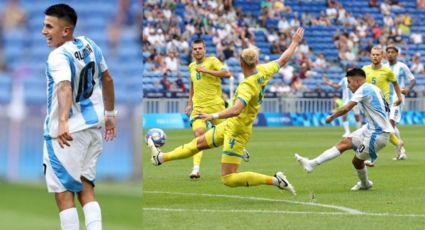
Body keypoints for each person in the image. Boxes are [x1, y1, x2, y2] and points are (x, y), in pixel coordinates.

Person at [147, 27, 305, 195]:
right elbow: (283, 59)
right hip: (231, 125)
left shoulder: (247, 85)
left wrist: (213, 115)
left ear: (241, 63)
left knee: (228, 178)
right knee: (199, 142)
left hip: (238, 131)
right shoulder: (264, 71)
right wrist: (294, 42)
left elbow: (237, 109)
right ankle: (160, 158)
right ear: (256, 62)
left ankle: (276, 180)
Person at [42, 4, 117, 230]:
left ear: (66, 30)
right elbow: (108, 79)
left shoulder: (57, 56)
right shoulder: (90, 44)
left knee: (64, 195)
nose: (43, 31)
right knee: (86, 190)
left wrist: (63, 121)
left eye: (49, 26)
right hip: (93, 129)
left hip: (66, 134)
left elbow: (64, 87)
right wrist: (110, 114)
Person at [295, 68, 393, 191]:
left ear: (357, 81)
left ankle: (365, 183)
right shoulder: (374, 88)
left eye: (349, 82)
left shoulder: (363, 89)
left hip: (377, 134)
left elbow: (346, 108)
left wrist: (332, 117)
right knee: (344, 143)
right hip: (370, 128)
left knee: (356, 161)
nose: (348, 85)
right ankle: (311, 164)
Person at [185, 39, 247, 179]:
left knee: (230, 133)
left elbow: (227, 74)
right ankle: (196, 169)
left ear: (205, 49)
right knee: (199, 135)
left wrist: (207, 70)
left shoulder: (212, 61)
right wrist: (190, 103)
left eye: (200, 48)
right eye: (195, 49)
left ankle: (239, 148)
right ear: (192, 51)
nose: (197, 51)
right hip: (198, 109)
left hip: (216, 108)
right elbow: (192, 85)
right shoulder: (191, 66)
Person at [362, 46, 404, 162]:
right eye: (373, 54)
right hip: (370, 104)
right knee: (382, 129)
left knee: (376, 130)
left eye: (377, 55)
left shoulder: (387, 71)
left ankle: (372, 156)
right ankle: (397, 142)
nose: (375, 56)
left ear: (382, 56)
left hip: (382, 105)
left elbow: (395, 84)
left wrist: (399, 97)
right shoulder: (365, 69)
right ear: (370, 55)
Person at [384, 45, 416, 160]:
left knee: (391, 122)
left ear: (397, 54)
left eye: (393, 52)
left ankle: (400, 150)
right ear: (386, 54)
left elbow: (413, 79)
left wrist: (407, 89)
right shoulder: (384, 67)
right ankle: (401, 150)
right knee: (390, 125)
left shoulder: (402, 66)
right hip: (386, 99)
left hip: (398, 98)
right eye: (388, 52)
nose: (390, 54)